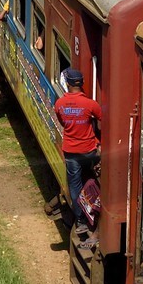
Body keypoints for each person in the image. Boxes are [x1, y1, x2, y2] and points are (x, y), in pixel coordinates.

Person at [54, 67, 101, 219]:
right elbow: (103, 119)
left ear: (67, 84)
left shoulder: (60, 104)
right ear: (81, 83)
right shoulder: (90, 104)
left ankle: (80, 218)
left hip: (71, 152)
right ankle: (94, 210)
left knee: (74, 186)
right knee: (92, 178)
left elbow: (63, 123)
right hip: (89, 151)